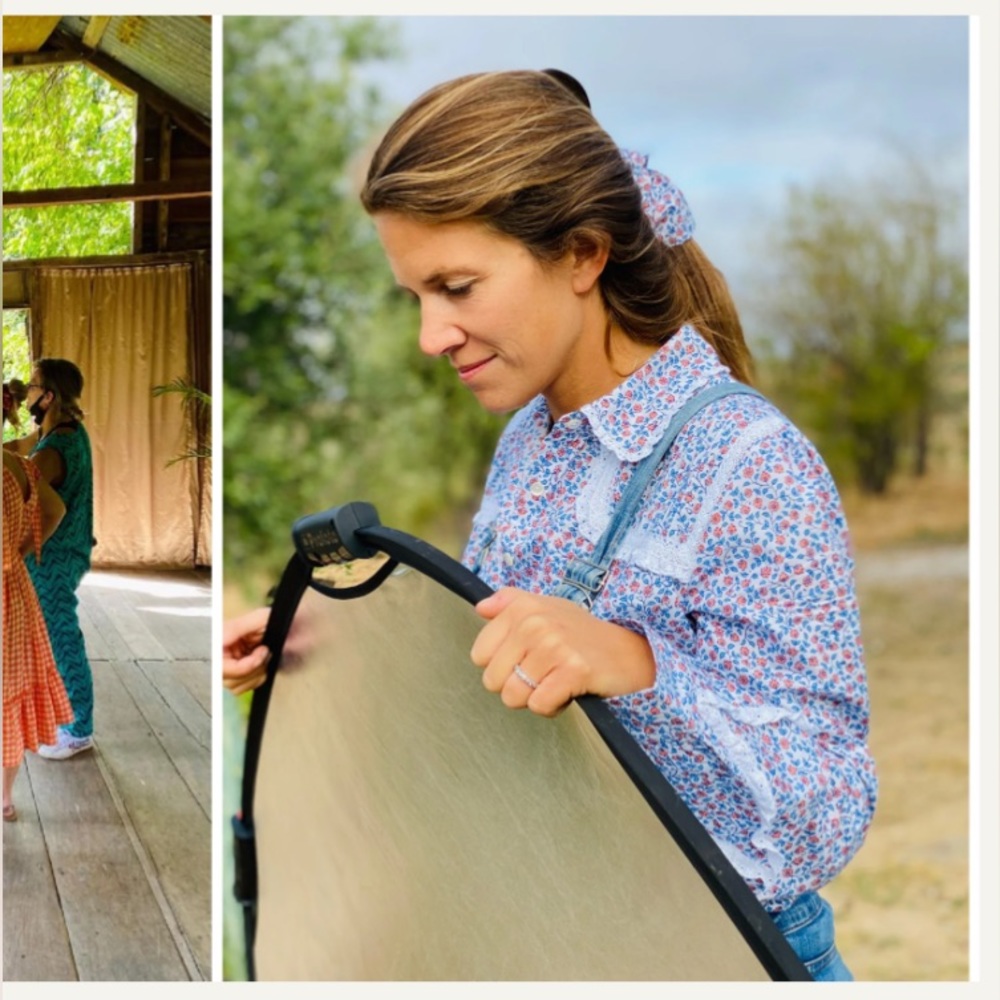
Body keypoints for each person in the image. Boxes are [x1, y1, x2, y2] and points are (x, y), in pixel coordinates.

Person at [224, 69, 877, 980]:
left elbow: (827, 809)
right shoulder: (531, 441)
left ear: (581, 255)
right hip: (552, 936)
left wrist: (635, 666)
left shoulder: (750, 464)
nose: (431, 336)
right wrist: (338, 648)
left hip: (714, 958)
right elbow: (505, 680)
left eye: (456, 286)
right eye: (414, 296)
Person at [6, 359, 96, 759]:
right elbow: (15, 451)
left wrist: (18, 551)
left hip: (53, 557)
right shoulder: (62, 432)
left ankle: (78, 729)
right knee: (56, 634)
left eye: (33, 386)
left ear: (50, 396)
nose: (27, 392)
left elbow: (30, 488)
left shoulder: (55, 450)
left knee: (62, 638)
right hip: (66, 549)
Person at [3, 385, 74, 820]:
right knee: (5, 694)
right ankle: (4, 798)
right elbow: (55, 510)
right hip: (11, 591)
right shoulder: (19, 466)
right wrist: (20, 549)